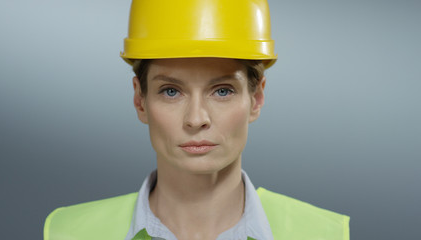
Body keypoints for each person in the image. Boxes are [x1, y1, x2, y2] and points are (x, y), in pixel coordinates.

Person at [44, 0, 350, 239]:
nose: (196, 119)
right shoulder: (71, 233)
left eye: (222, 91)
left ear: (256, 98)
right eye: (171, 91)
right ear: (140, 100)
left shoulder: (322, 233)